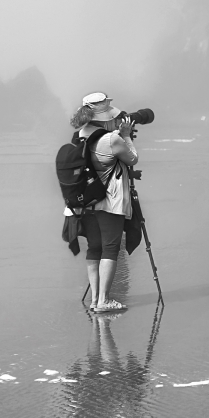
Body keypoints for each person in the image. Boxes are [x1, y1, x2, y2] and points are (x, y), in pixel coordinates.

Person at [68, 92, 141, 313]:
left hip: (86, 201)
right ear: (105, 118)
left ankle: (95, 299)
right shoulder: (112, 139)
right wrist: (126, 135)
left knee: (94, 247)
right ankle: (104, 300)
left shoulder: (79, 136)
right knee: (110, 248)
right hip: (109, 201)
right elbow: (133, 158)